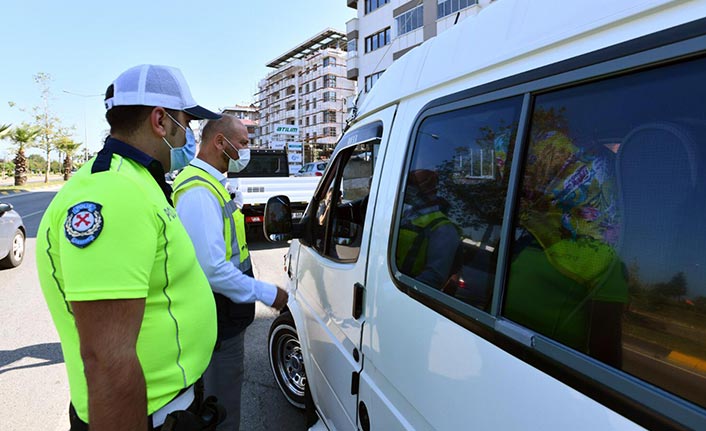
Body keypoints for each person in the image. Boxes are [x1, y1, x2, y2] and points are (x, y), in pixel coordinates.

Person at [36, 64, 222, 431]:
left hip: (168, 407)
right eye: (186, 123)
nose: (189, 136)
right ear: (160, 121)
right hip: (145, 416)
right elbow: (107, 360)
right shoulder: (112, 193)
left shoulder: (137, 179)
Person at [172, 114, 289, 430]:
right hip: (218, 319)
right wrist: (267, 292)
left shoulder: (211, 184)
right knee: (221, 407)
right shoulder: (198, 191)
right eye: (243, 143)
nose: (247, 150)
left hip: (225, 316)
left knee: (222, 398)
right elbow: (211, 268)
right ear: (219, 142)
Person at [396, 169, 461, 290]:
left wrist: (399, 290)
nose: (407, 190)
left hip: (406, 291)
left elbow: (433, 278)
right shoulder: (406, 214)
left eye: (412, 186)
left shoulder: (443, 228)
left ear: (427, 190)